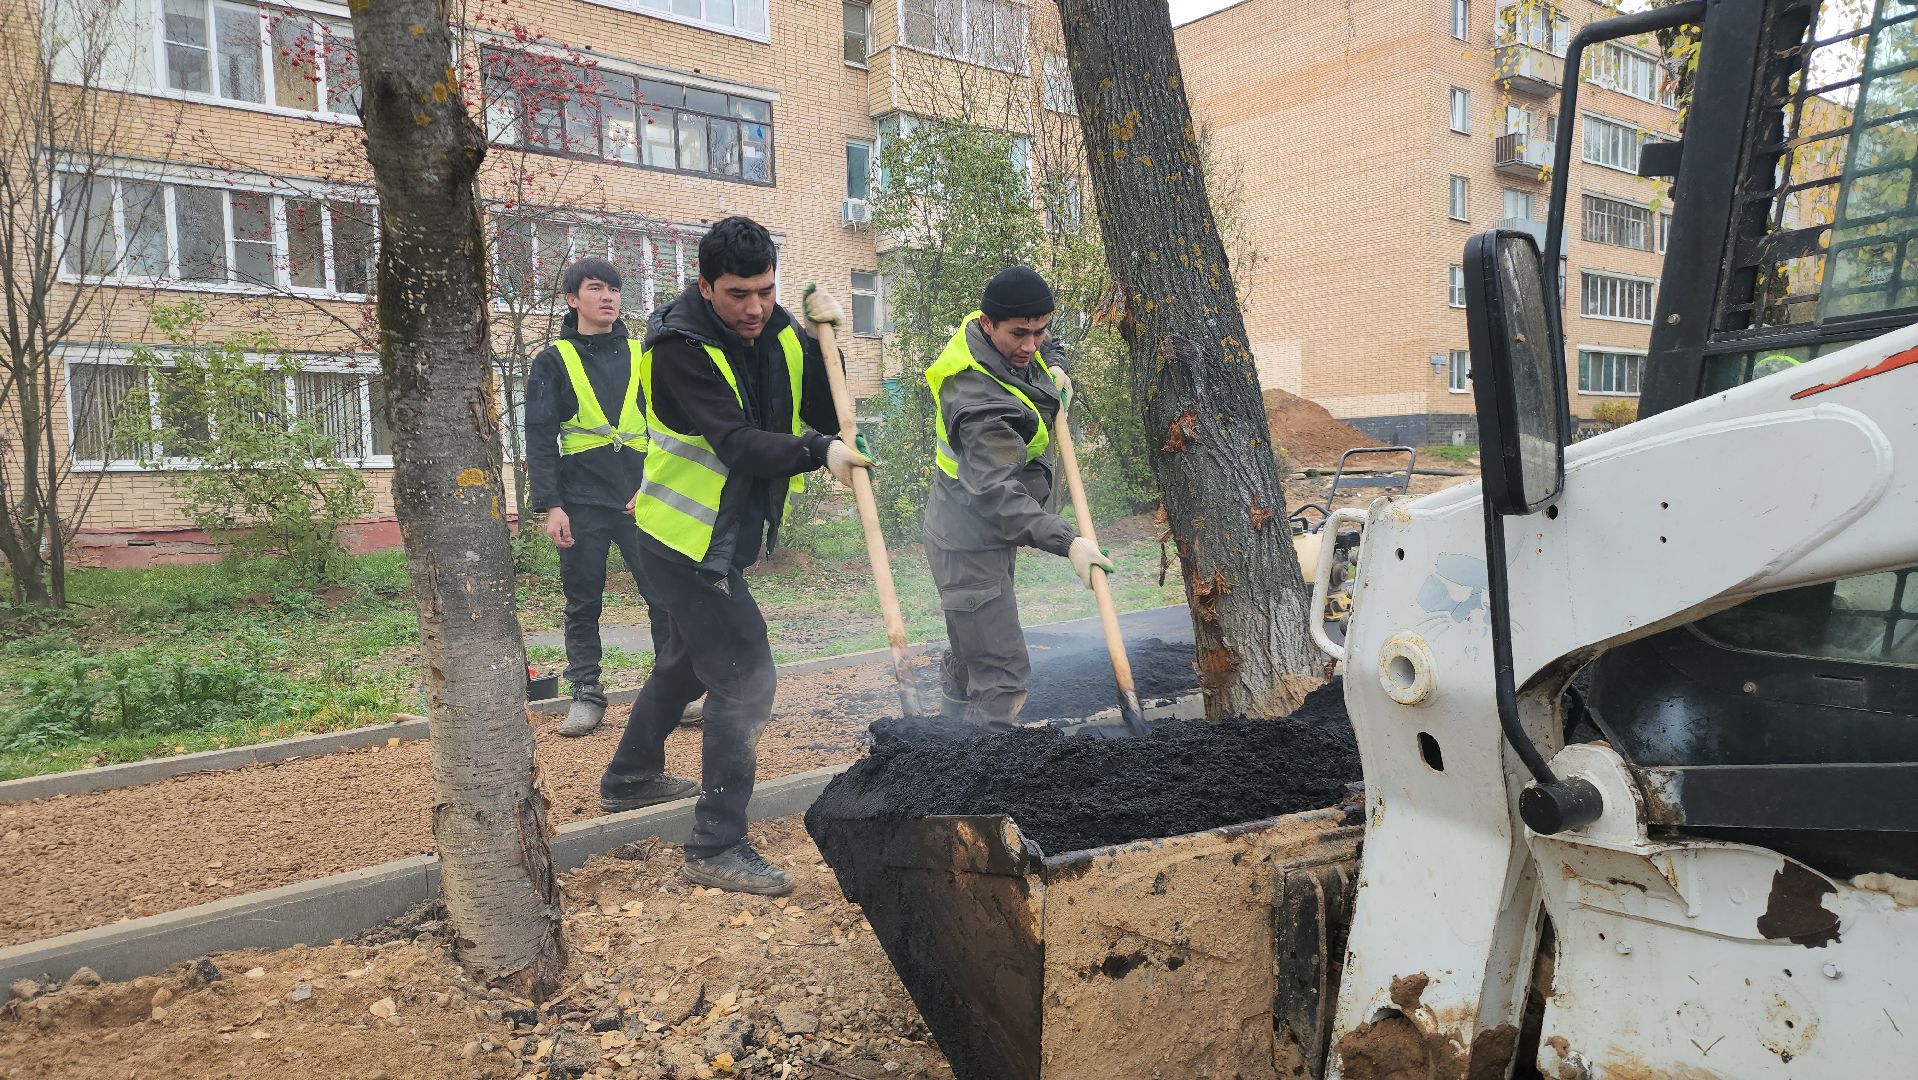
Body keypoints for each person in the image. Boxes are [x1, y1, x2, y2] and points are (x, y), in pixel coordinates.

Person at [599, 216, 869, 896]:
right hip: (683, 541)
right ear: (703, 285)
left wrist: (826, 347)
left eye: (765, 291)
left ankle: (628, 777)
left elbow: (824, 410)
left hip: (718, 535)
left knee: (691, 660)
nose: (753, 308)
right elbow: (741, 444)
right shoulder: (676, 350)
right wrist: (816, 452)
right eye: (737, 294)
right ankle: (715, 843)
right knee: (745, 672)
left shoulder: (776, 328)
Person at [924, 266, 1113, 731]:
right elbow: (996, 495)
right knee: (1002, 676)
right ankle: (986, 776)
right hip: (967, 539)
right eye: (1019, 335)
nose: (1030, 345)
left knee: (980, 648)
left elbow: (1041, 342)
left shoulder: (1004, 331)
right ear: (988, 325)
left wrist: (1058, 363)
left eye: (1040, 331)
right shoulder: (975, 398)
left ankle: (946, 738)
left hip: (984, 532)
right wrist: (1068, 541)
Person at [523, 258, 705, 737]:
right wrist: (551, 506)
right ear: (572, 299)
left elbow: (668, 426)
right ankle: (586, 693)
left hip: (641, 497)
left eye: (615, 289)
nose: (608, 297)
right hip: (580, 502)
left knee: (665, 596)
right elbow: (539, 438)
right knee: (582, 603)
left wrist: (655, 487)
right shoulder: (552, 361)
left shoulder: (643, 354)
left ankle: (674, 691)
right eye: (596, 288)